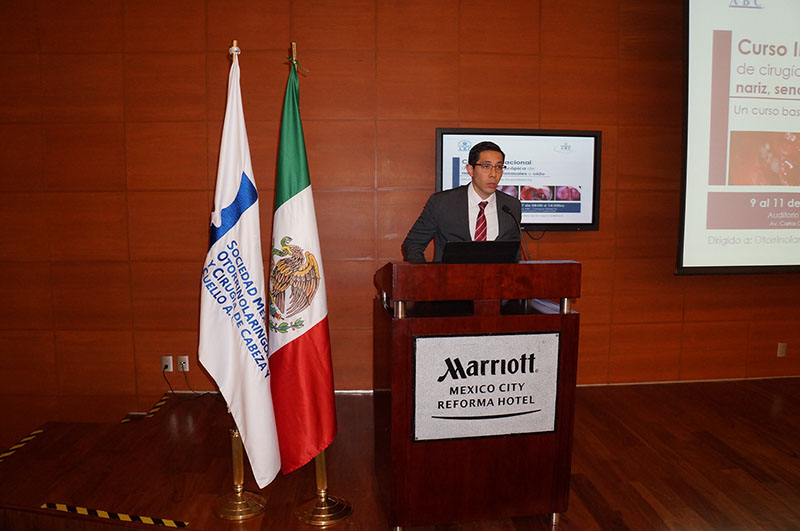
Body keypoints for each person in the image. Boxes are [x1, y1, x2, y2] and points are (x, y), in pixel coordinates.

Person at [402, 141, 522, 263]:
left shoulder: (512, 206)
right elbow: (413, 244)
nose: (493, 174)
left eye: (498, 167)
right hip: (450, 275)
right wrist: (426, 273)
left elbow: (514, 255)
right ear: (470, 170)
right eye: (486, 166)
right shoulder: (442, 203)